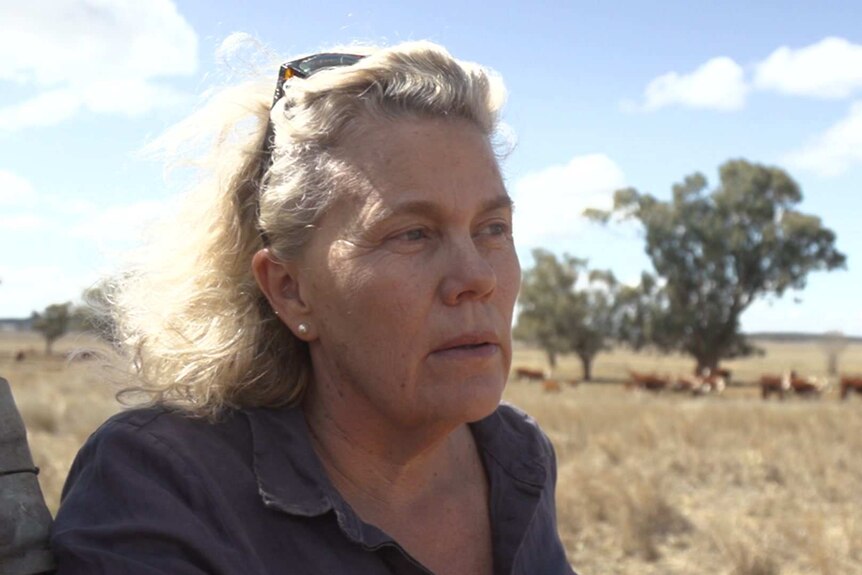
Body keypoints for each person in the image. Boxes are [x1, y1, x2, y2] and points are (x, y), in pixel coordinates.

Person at [50, 40, 577, 575]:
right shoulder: (166, 486)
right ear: (289, 289)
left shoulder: (515, 456)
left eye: (493, 229)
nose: (477, 278)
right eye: (412, 234)